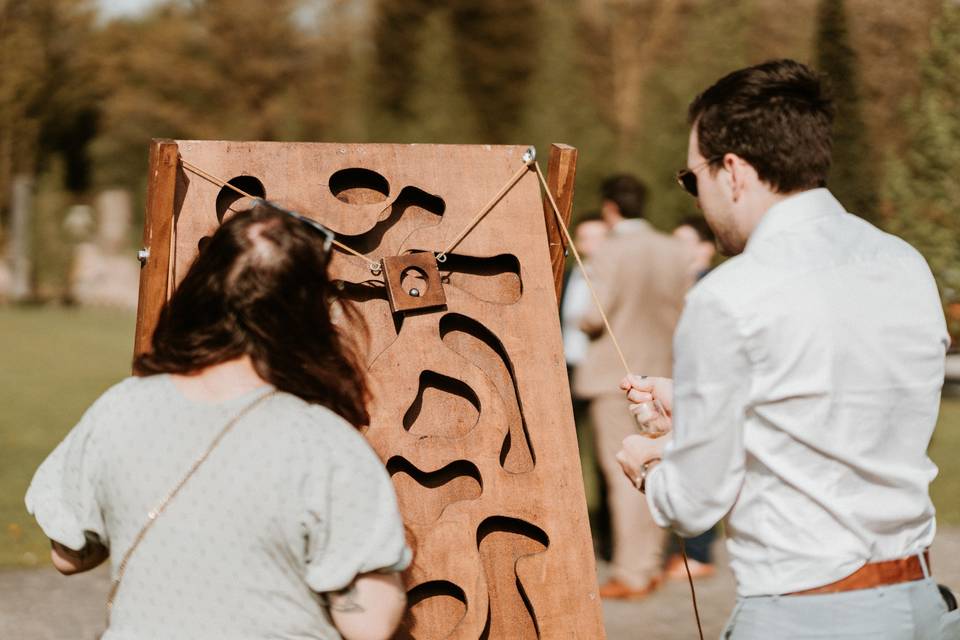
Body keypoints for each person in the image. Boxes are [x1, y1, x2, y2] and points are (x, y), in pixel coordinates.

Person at [617, 59, 959, 638]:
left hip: (805, 614)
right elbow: (843, 412)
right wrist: (700, 410)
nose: (696, 195)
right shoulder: (904, 262)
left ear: (732, 171)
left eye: (690, 177)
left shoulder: (730, 293)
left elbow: (693, 504)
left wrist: (650, 466)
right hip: (921, 602)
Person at [26, 202, 411, 640]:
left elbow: (68, 554)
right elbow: (367, 623)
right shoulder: (323, 442)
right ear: (309, 315)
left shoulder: (119, 407)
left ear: (201, 291)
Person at [573, 174, 692, 599]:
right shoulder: (675, 251)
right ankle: (652, 563)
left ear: (609, 208)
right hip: (666, 371)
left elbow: (591, 316)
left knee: (626, 469)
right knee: (662, 459)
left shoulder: (608, 251)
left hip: (615, 376)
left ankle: (632, 572)